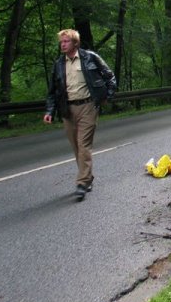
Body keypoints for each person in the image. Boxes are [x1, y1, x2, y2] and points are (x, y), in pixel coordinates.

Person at [43, 29, 117, 201]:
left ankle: (82, 183)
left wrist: (108, 96)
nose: (63, 44)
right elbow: (53, 91)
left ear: (75, 43)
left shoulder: (90, 57)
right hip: (67, 109)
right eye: (61, 42)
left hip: (88, 106)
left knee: (83, 144)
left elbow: (109, 76)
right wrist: (49, 111)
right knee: (76, 146)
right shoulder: (59, 64)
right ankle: (88, 177)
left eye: (66, 41)